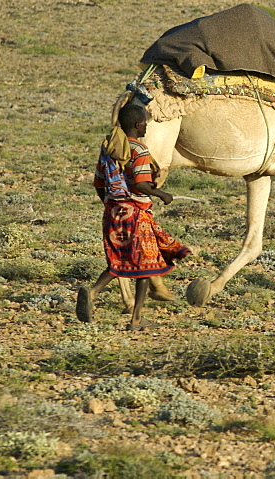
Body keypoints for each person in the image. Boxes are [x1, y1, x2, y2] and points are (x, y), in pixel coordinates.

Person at [77, 102, 191, 330]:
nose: (146, 129)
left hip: (113, 211)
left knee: (141, 264)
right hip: (136, 214)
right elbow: (140, 184)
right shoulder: (139, 150)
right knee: (134, 261)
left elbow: (99, 182)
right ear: (138, 125)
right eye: (145, 125)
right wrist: (161, 193)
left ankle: (136, 319)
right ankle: (93, 292)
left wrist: (111, 204)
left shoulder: (109, 147)